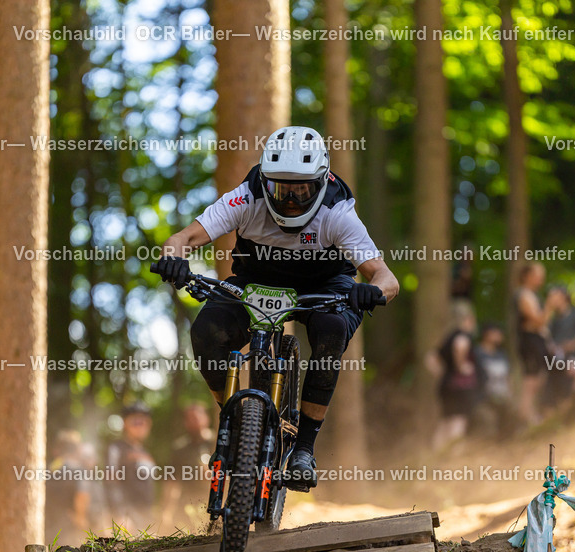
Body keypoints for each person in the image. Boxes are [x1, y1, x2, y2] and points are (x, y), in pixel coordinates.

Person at [153, 126, 399, 492]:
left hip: (325, 286)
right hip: (254, 280)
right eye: (280, 189)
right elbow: (183, 238)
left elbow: (385, 277)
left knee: (331, 331)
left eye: (301, 190)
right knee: (206, 331)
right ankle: (235, 416)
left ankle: (303, 449)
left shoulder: (337, 212)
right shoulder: (246, 197)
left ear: (320, 182)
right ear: (265, 181)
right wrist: (173, 258)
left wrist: (371, 291)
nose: (290, 200)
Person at [426, 301, 480, 447]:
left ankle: (436, 453)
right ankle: (455, 455)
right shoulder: (463, 335)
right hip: (460, 387)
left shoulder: (448, 337)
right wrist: (461, 366)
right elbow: (460, 345)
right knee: (459, 420)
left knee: (445, 421)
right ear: (468, 318)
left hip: (446, 385)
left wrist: (442, 373)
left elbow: (430, 359)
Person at [160, 402, 214, 529]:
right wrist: (166, 512)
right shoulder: (180, 449)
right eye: (189, 419)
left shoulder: (219, 442)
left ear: (206, 418)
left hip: (216, 503)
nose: (194, 422)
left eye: (196, 417)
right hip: (188, 507)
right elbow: (172, 483)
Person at [108, 403, 157, 534]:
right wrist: (120, 514)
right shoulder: (116, 449)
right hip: (127, 517)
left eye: (144, 422)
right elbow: (111, 482)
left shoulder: (145, 452)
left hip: (146, 516)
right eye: (135, 421)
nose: (140, 425)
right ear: (125, 423)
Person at [45, 430, 99, 546]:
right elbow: (82, 495)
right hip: (69, 526)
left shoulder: (49, 468)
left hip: (47, 525)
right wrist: (81, 520)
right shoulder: (78, 469)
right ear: (77, 449)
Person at [514, 262, 551, 427]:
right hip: (530, 342)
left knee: (538, 379)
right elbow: (538, 321)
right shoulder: (523, 295)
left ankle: (531, 415)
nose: (541, 280)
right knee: (531, 381)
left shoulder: (532, 295)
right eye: (538, 275)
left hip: (537, 342)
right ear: (527, 276)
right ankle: (525, 417)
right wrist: (550, 306)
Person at [545, 286, 575, 405]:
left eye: (554, 296)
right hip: (555, 362)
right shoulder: (552, 322)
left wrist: (571, 345)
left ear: (563, 296)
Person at [472, 322, 513, 439]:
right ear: (488, 334)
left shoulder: (501, 355)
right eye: (497, 333)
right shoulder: (477, 354)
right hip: (484, 398)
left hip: (503, 397)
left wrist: (510, 392)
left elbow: (507, 376)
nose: (501, 336)